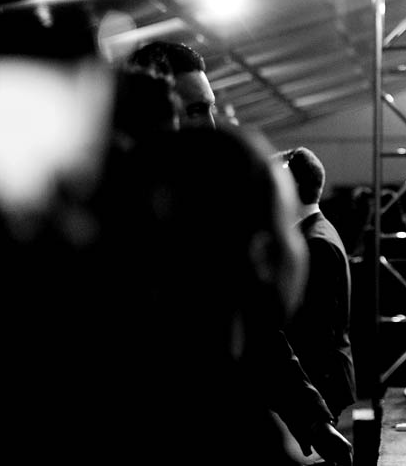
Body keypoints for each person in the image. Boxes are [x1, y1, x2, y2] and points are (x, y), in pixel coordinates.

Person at [126, 39, 353, 465]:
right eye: (195, 110)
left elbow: (258, 328)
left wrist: (311, 419)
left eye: (210, 108)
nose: (211, 125)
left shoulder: (204, 210)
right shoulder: (93, 217)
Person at [279, 146, 357, 421]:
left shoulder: (314, 243)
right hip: (319, 379)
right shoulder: (316, 233)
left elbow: (313, 330)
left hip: (318, 381)